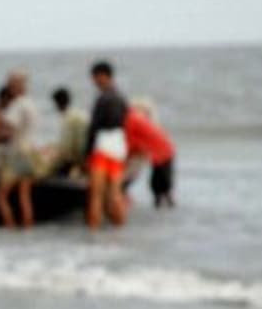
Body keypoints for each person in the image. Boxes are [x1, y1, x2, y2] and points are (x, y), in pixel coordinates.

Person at [84, 59, 130, 229]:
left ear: (103, 76)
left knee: (96, 195)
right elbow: (127, 121)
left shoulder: (103, 98)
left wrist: (86, 153)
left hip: (103, 145)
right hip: (119, 145)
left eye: (95, 77)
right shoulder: (121, 96)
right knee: (115, 195)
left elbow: (94, 127)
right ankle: (120, 230)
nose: (94, 81)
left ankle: (93, 233)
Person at [0, 70, 37, 228]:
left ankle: (10, 227)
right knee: (24, 196)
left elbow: (8, 132)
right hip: (30, 152)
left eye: (11, 84)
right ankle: (28, 228)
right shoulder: (30, 103)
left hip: (17, 153)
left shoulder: (17, 105)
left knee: (1, 197)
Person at [124, 102, 177, 207]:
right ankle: (165, 202)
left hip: (162, 152)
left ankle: (164, 203)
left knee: (160, 185)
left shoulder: (130, 120)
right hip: (164, 149)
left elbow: (128, 141)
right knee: (162, 184)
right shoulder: (136, 117)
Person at [46, 86, 88, 176]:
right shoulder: (77, 114)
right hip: (82, 157)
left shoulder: (70, 119)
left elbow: (68, 148)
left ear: (57, 104)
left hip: (75, 161)